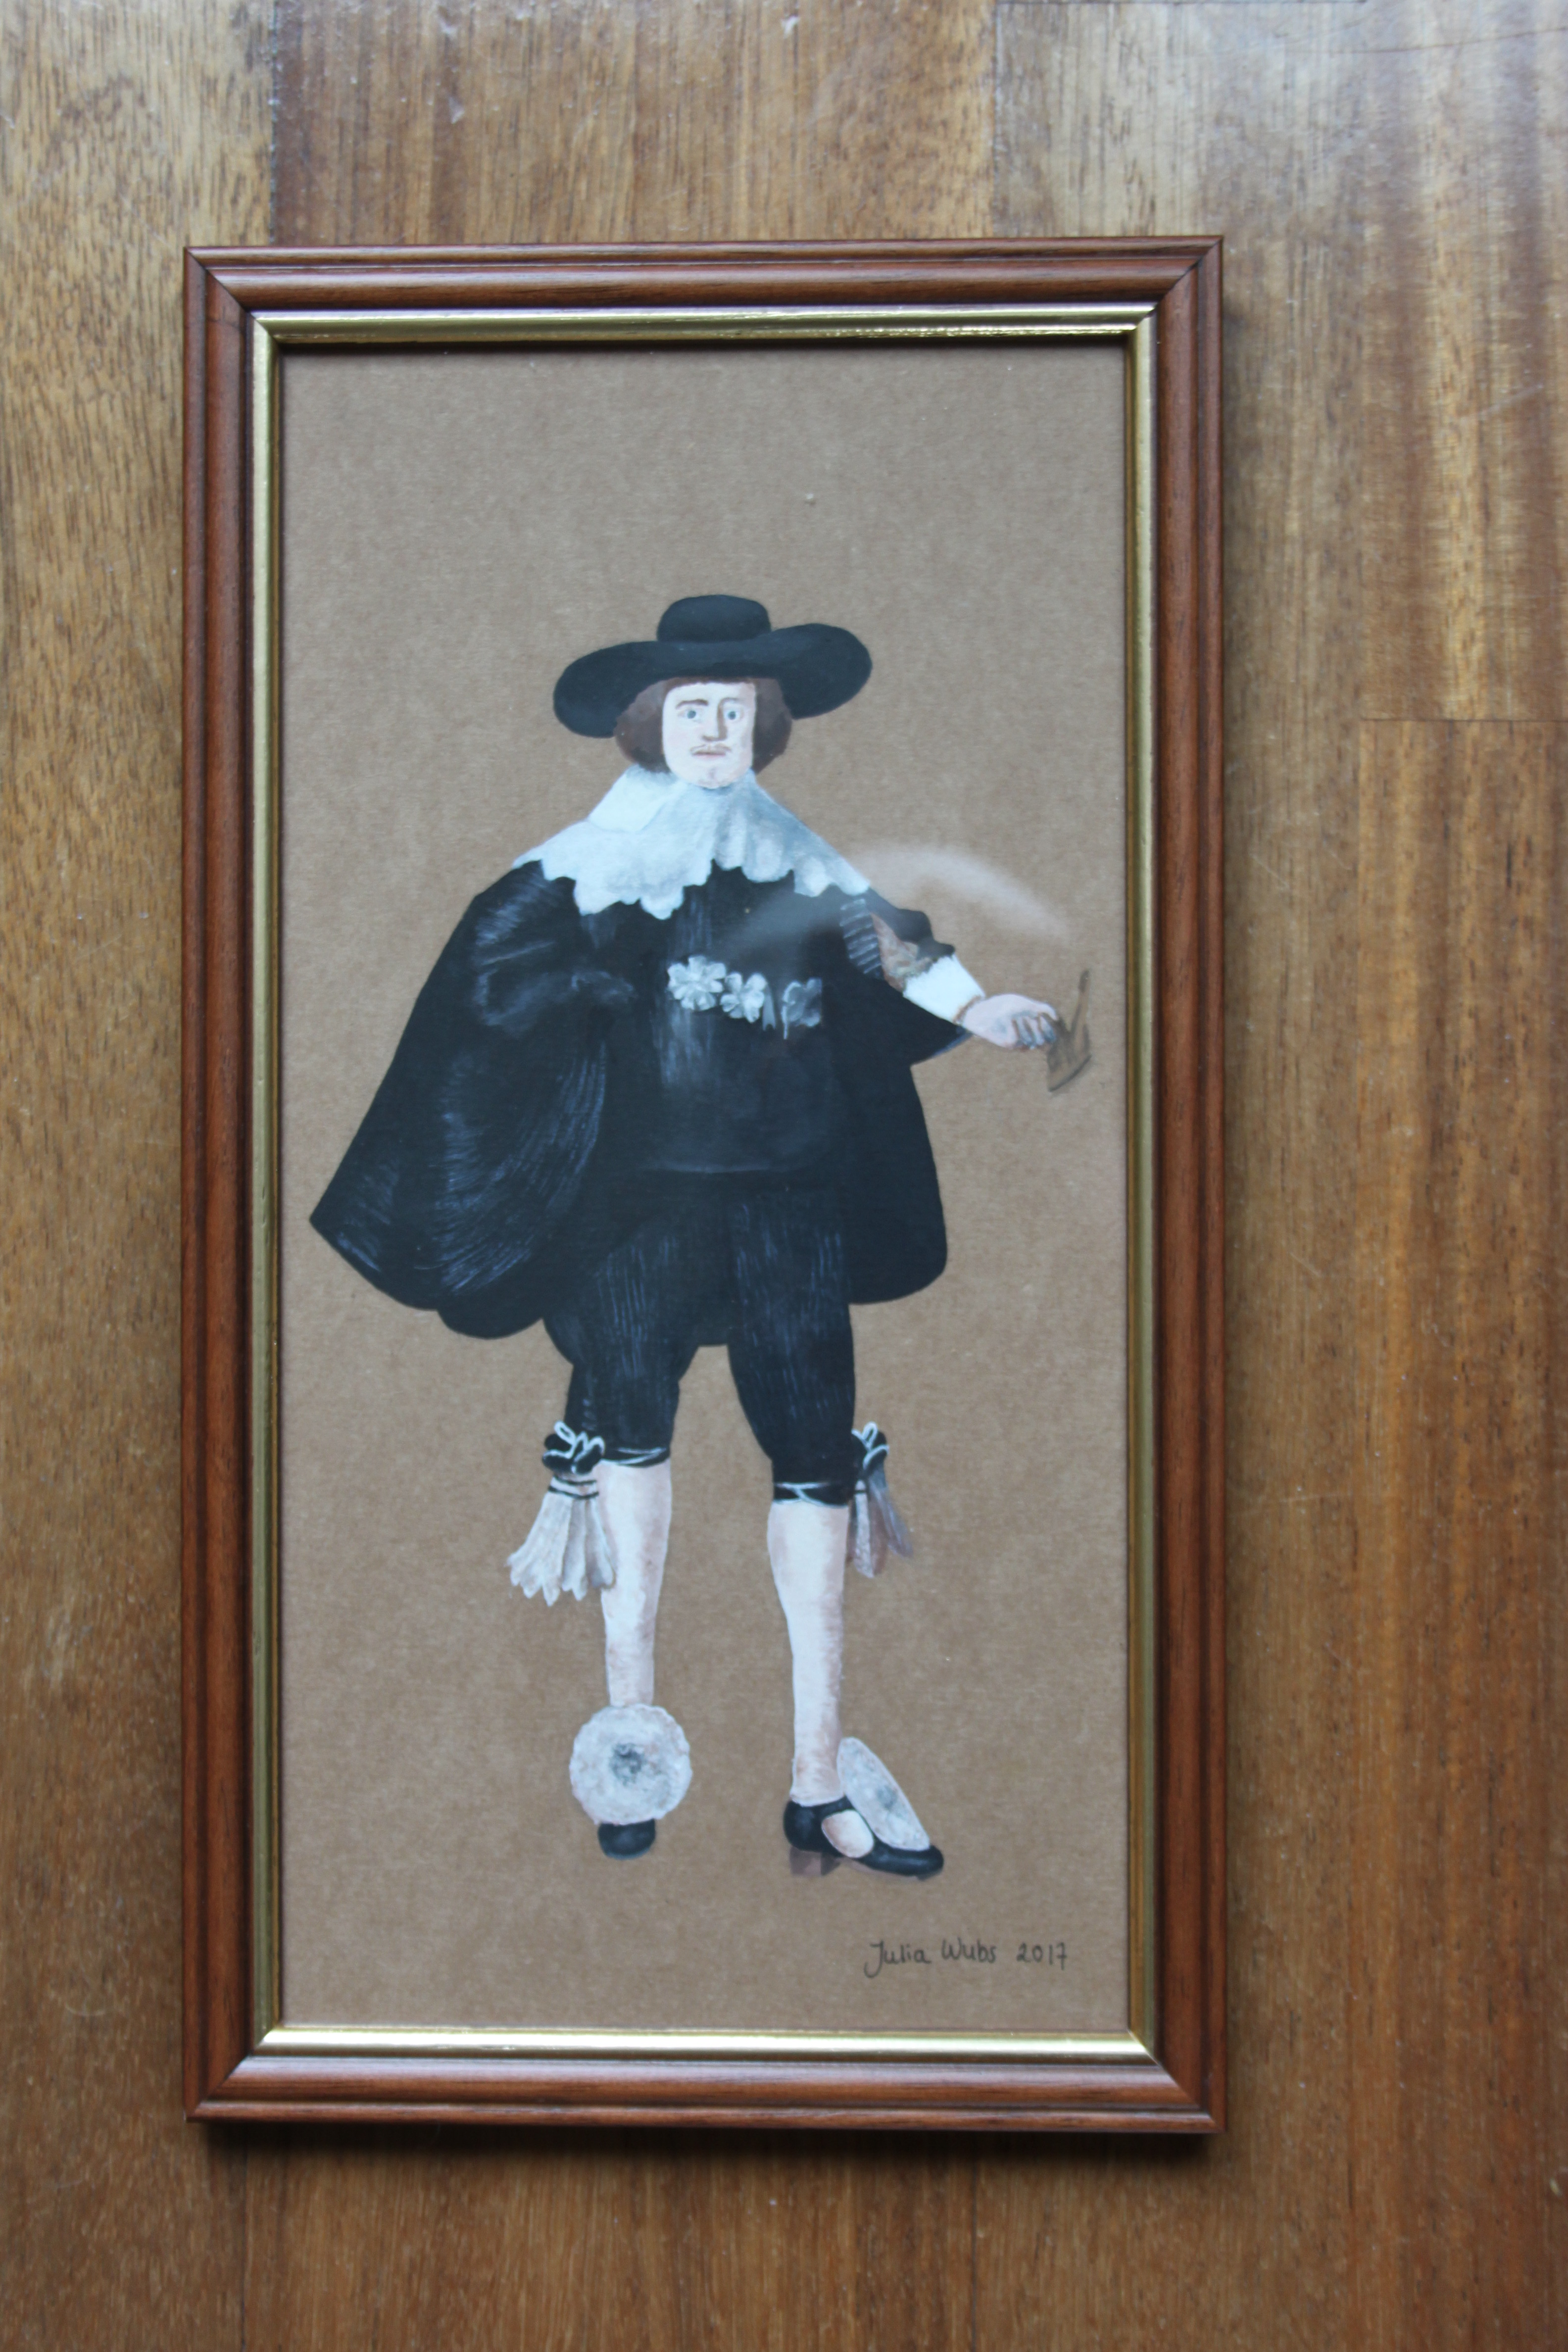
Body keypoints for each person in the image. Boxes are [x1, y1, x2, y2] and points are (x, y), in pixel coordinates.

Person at [311, 596, 1081, 1878]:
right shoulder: (584, 867)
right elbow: (486, 982)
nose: (718, 731)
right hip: (637, 1215)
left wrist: (980, 1004)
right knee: (633, 1440)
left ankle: (818, 1779)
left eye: (737, 711)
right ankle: (632, 1745)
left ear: (765, 726)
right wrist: (575, 990)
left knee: (815, 1457)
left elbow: (892, 949)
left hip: (791, 1205)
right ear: (649, 726)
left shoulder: (798, 859)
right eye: (694, 712)